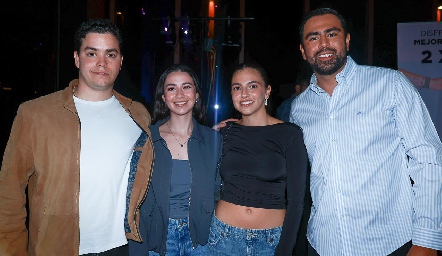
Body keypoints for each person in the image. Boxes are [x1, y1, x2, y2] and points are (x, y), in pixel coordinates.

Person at [291, 7, 442, 256]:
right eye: (313, 37)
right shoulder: (299, 108)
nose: (324, 43)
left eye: (332, 34)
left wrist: (426, 241)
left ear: (347, 40)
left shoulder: (390, 84)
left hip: (391, 244)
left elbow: (428, 159)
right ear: (303, 50)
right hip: (324, 244)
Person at [0, 18, 154, 255]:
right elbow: (8, 194)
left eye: (110, 55)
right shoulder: (35, 114)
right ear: (76, 58)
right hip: (55, 247)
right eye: (91, 53)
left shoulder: (138, 115)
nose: (102, 63)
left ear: (120, 61)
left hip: (120, 248)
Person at [208, 62, 309, 255]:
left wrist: (285, 249)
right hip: (223, 238)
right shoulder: (225, 132)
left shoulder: (289, 134)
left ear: (267, 91)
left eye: (252, 86)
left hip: (270, 241)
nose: (244, 94)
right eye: (237, 88)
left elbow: (297, 201)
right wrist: (209, 135)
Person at [128, 64, 222, 256]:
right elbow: (132, 197)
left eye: (186, 87)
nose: (180, 94)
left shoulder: (213, 140)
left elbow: (220, 192)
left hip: (203, 241)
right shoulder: (146, 139)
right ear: (163, 97)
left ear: (196, 95)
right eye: (171, 88)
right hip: (158, 239)